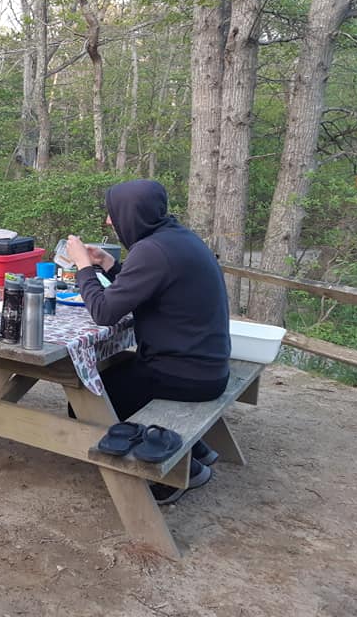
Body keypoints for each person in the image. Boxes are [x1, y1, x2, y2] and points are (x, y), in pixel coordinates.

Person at [64, 179, 230, 505]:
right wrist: (107, 265)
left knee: (84, 403)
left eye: (113, 213)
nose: (109, 221)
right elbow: (146, 286)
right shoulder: (175, 238)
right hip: (205, 365)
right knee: (110, 375)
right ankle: (196, 447)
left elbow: (104, 312)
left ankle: (181, 471)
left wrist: (82, 266)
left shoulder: (151, 250)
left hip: (185, 375)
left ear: (132, 213)